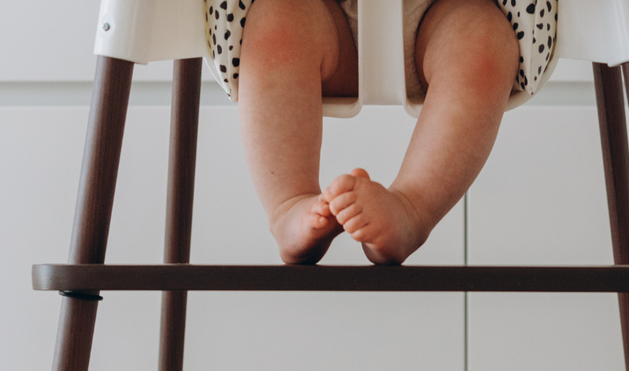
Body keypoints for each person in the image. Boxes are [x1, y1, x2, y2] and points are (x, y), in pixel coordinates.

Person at [212, 0, 539, 265]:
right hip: (322, 14)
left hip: (448, 13)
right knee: (277, 21)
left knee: (484, 41)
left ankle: (412, 211)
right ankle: (288, 205)